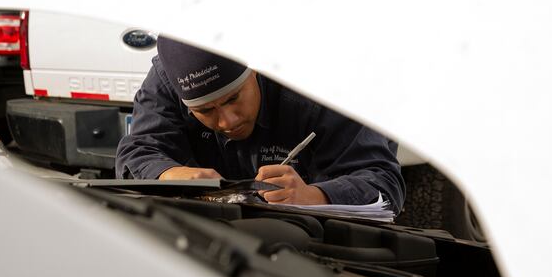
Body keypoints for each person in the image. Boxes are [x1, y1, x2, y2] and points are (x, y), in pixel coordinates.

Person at [115, 37, 406, 214]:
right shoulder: (168, 77)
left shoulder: (322, 85)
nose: (227, 121)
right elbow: (138, 150)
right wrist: (169, 175)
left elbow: (383, 182)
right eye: (205, 111)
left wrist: (313, 196)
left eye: (233, 99)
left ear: (254, 69)